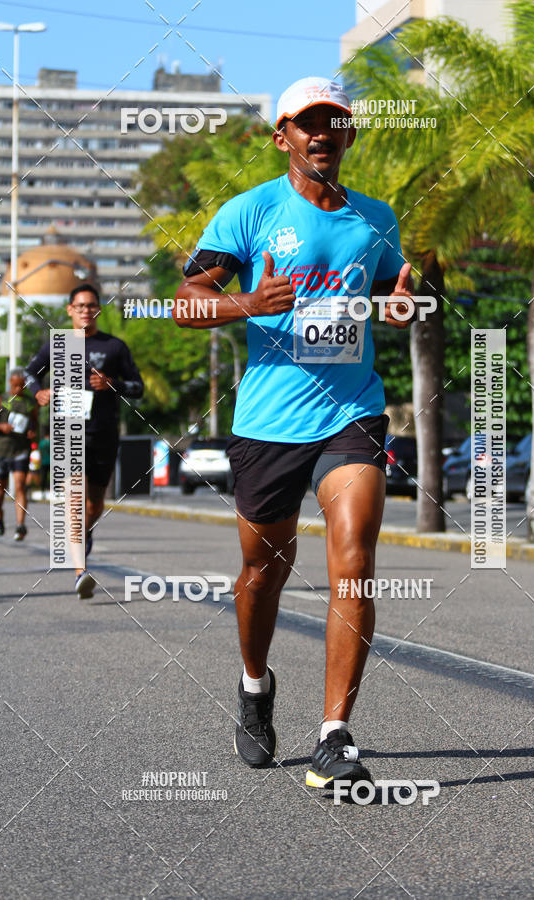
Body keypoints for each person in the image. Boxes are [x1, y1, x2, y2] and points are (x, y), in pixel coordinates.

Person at [174, 76, 415, 789]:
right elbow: (187, 303)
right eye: (308, 123)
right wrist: (249, 300)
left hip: (352, 409)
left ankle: (335, 733)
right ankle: (254, 683)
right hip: (269, 421)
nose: (322, 133)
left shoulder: (376, 218)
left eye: (334, 122)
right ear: (282, 137)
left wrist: (400, 308)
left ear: (347, 136)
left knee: (354, 553)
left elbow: (389, 296)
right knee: (262, 571)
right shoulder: (248, 214)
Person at [25, 284, 144, 598]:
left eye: (91, 306)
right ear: (69, 310)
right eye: (79, 306)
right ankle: (82, 571)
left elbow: (138, 387)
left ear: (98, 309)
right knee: (75, 502)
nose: (85, 311)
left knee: (93, 505)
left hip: (103, 433)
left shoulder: (115, 347)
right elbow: (29, 374)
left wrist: (112, 384)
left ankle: (85, 534)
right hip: (67, 431)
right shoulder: (58, 345)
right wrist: (38, 391)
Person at [0, 369, 38, 540]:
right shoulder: (2, 400)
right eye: (15, 385)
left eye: (21, 385)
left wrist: (32, 431)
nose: (18, 389)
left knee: (20, 485)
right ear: (10, 383)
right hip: (2, 451)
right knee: (1, 488)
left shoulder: (30, 403)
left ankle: (20, 525)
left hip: (21, 451)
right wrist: (2, 427)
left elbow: (34, 422)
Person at [38, 431, 50, 499]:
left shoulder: (41, 443)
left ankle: (43, 491)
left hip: (43, 462)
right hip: (51, 462)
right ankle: (56, 491)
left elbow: (39, 453)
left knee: (43, 478)